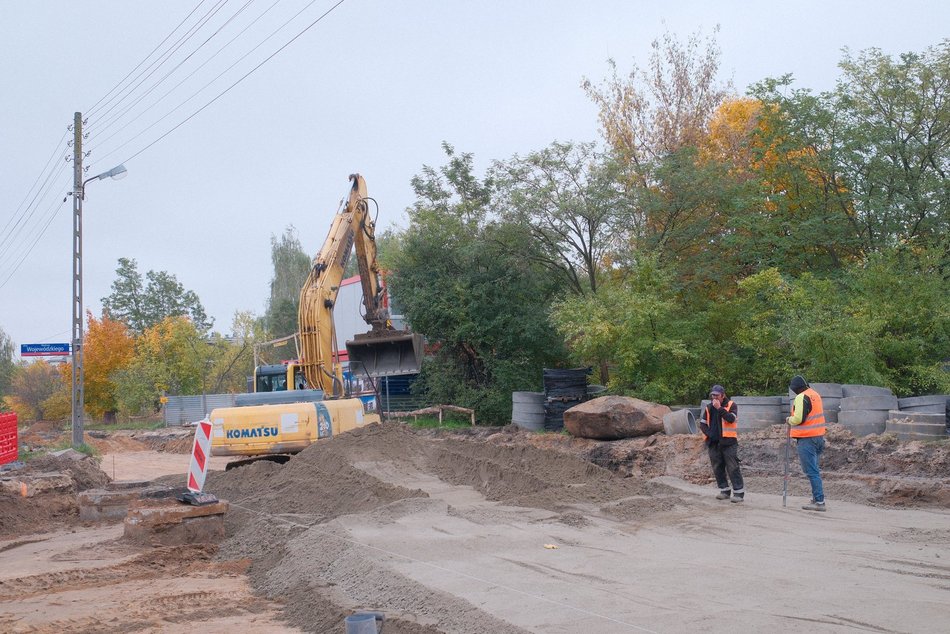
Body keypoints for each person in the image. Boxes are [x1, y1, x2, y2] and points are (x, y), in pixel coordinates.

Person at [787, 375, 827, 512]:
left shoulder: (801, 397)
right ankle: (817, 498)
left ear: (795, 389)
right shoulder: (815, 394)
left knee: (812, 471)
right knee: (815, 469)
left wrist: (789, 420)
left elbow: (798, 419)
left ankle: (819, 502)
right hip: (818, 437)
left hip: (807, 439)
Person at [699, 384, 745, 503]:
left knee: (732, 467)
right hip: (714, 443)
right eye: (712, 395)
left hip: (728, 442)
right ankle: (724, 490)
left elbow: (730, 418)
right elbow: (702, 423)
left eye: (717, 395)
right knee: (717, 467)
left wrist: (719, 408)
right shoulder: (709, 408)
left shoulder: (731, 405)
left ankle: (739, 493)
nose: (714, 398)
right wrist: (709, 435)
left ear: (723, 395)